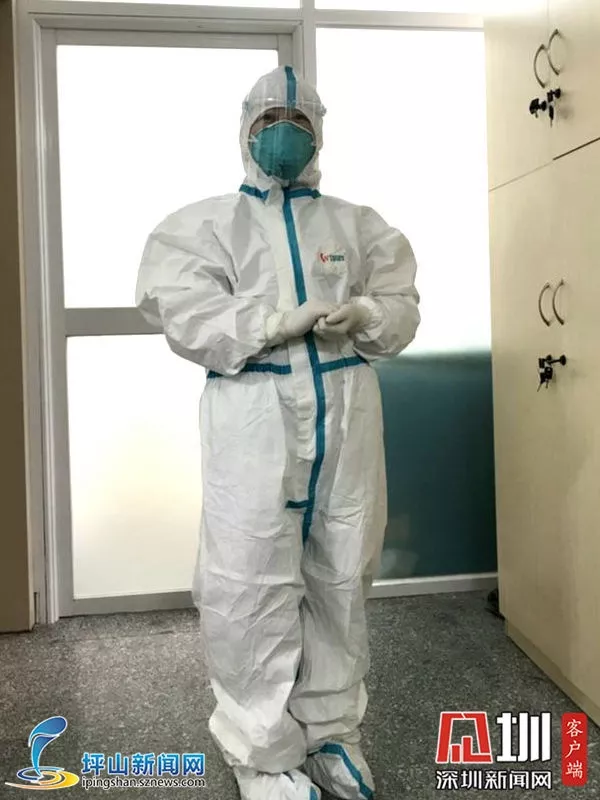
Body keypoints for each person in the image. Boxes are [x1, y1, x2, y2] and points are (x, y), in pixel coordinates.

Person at [136, 65, 420, 800]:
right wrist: (270, 322)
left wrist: (367, 313)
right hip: (253, 418)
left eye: (298, 121)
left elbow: (401, 308)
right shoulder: (203, 227)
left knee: (341, 577)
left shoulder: (358, 225)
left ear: (320, 134)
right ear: (245, 130)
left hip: (346, 416)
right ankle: (260, 754)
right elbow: (183, 314)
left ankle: (333, 734)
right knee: (248, 583)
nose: (284, 134)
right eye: (269, 121)